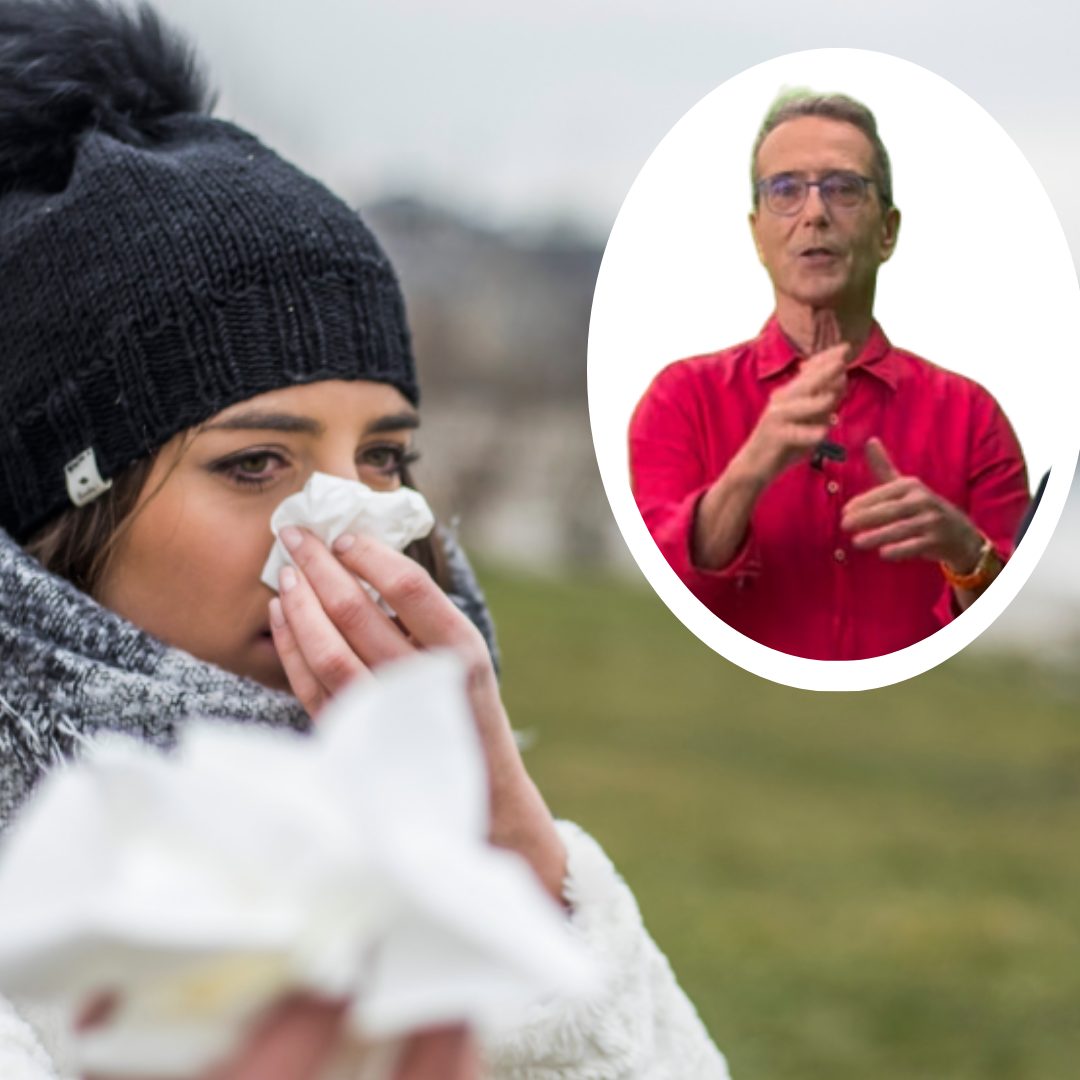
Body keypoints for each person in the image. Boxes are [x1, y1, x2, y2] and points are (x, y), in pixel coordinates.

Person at [0, 2, 730, 1077]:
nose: (358, 526)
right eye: (256, 463)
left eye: (387, 459)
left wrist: (515, 864)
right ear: (59, 521)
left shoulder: (453, 848)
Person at [628, 90, 1030, 660]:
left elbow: (1011, 656)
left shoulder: (975, 419)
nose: (814, 213)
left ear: (887, 231)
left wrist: (967, 553)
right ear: (757, 235)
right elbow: (656, 605)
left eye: (843, 188)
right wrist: (751, 468)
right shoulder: (679, 400)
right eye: (786, 190)